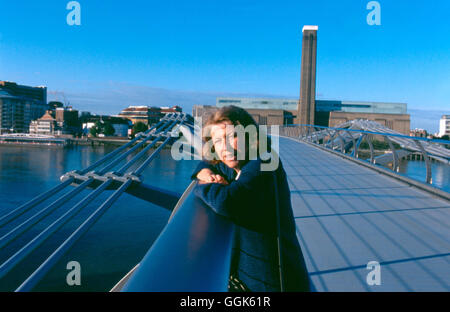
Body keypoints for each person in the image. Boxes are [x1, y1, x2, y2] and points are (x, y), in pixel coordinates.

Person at [191, 105, 310, 292]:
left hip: (276, 280)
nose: (226, 146)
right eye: (219, 141)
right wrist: (204, 171)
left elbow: (226, 202)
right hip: (251, 277)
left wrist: (203, 184)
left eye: (233, 137)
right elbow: (208, 162)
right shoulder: (235, 163)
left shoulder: (264, 164)